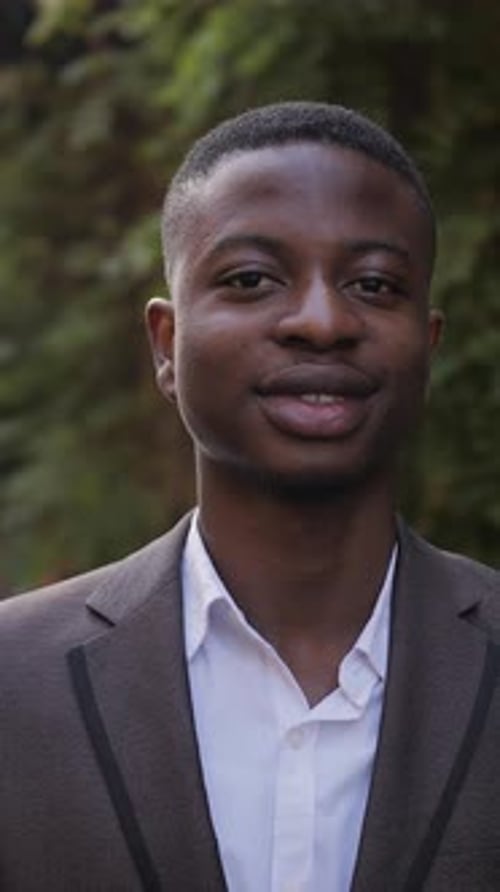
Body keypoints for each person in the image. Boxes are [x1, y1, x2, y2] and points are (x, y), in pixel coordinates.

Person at [0, 102, 499, 892]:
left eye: (373, 283)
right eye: (251, 279)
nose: (322, 321)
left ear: (427, 345)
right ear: (167, 346)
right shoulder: (12, 681)